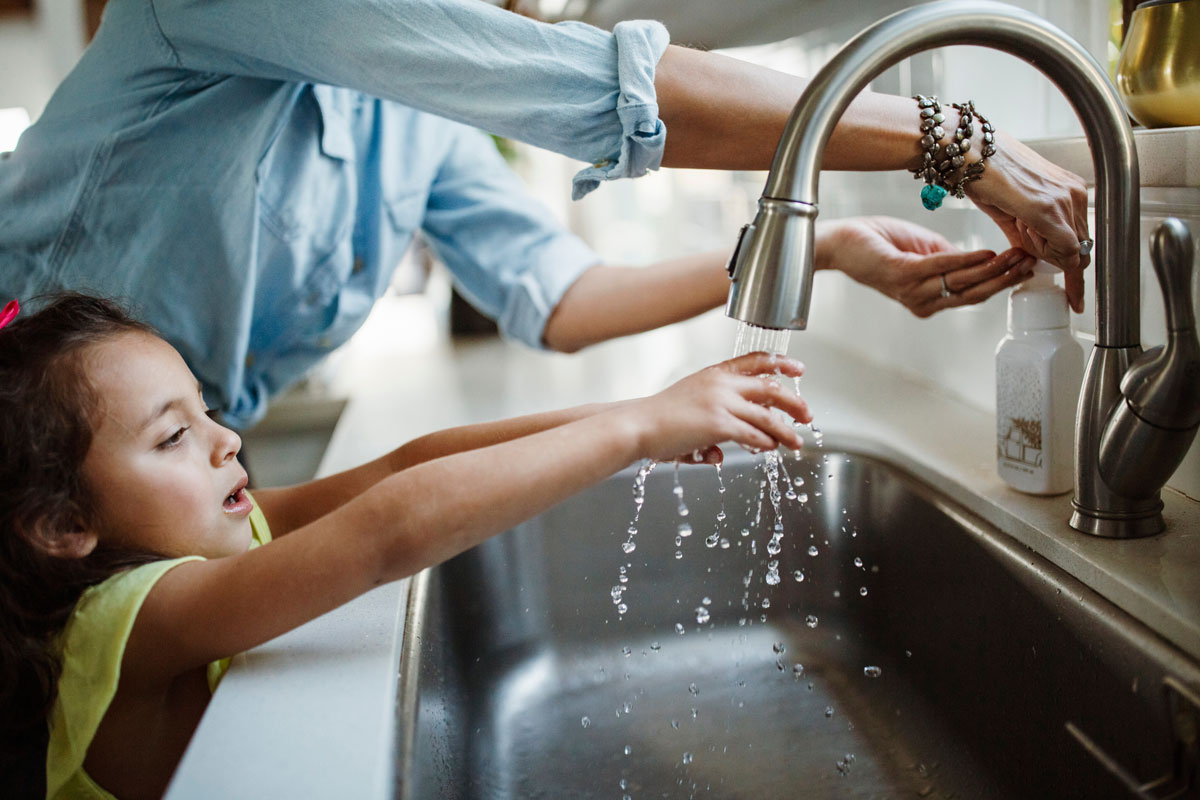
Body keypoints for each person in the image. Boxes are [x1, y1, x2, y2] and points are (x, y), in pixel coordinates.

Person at [0, 0, 1087, 429]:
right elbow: (620, 95)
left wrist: (833, 246)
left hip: (161, 490)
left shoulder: (410, 111)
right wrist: (958, 140)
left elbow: (561, 297)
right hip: (28, 458)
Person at [0, 293, 811, 799]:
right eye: (175, 435)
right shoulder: (119, 621)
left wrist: (641, 421)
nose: (227, 439)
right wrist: (633, 429)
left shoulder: (218, 536)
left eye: (206, 409)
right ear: (66, 527)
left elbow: (405, 465)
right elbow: (386, 527)